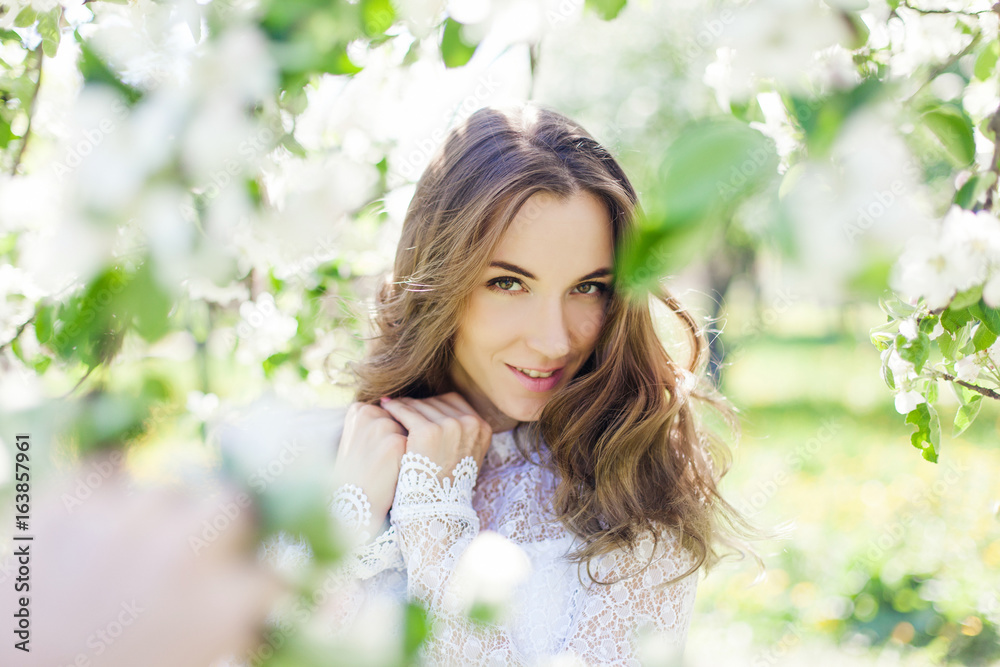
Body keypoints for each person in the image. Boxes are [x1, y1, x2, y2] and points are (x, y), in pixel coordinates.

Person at [328, 103, 760, 666]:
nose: (555, 341)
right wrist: (349, 511)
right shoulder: (348, 450)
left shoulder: (636, 476)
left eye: (589, 287)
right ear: (440, 276)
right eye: (509, 283)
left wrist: (435, 513)